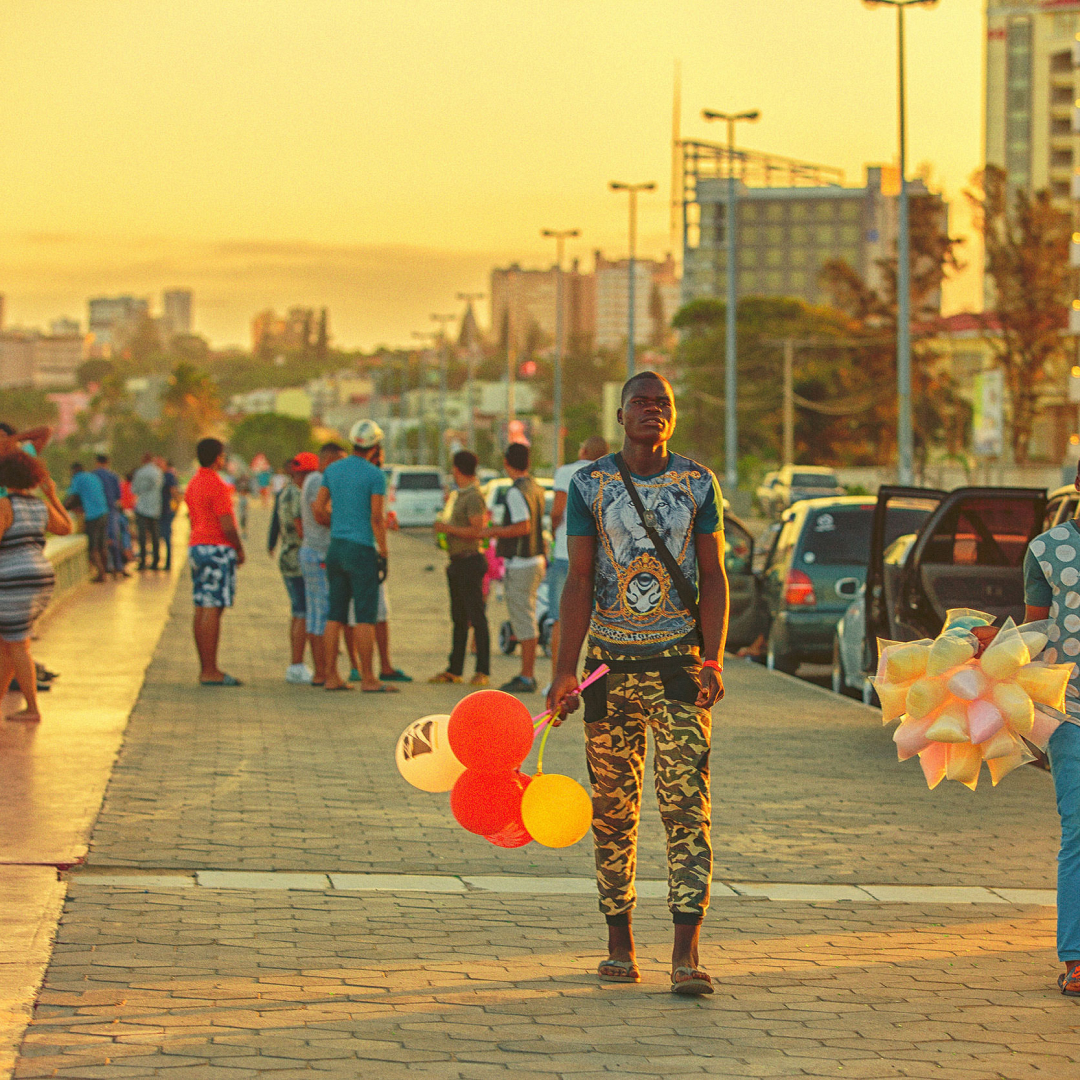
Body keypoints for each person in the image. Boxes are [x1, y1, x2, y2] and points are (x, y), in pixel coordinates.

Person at [548, 371, 728, 996]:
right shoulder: (589, 484)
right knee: (613, 813)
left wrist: (713, 660)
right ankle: (619, 944)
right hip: (608, 672)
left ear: (672, 417)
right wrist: (563, 671)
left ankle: (686, 954)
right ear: (621, 414)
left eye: (664, 405)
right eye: (641, 404)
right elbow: (577, 581)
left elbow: (713, 576)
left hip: (678, 668)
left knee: (687, 810)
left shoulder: (697, 482)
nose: (653, 411)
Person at [1008, 467, 1080, 996]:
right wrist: (992, 644)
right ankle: (1077, 959)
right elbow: (1037, 627)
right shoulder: (1049, 549)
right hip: (1073, 713)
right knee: (1079, 831)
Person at [311, 420, 394, 693]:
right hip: (361, 550)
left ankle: (331, 676)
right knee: (364, 616)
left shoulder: (333, 470)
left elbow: (319, 507)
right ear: (375, 446)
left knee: (335, 614)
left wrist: (339, 521)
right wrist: (383, 551)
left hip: (336, 547)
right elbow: (376, 518)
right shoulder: (374, 475)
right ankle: (369, 678)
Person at [0, 451, 72, 721]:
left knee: (17, 645)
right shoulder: (39, 506)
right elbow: (66, 527)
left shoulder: (5, 506)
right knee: (10, 643)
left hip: (12, 579)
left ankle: (32, 709)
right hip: (40, 577)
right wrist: (52, 496)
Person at [547, 435, 609, 684]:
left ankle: (558, 679)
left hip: (567, 552)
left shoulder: (566, 472)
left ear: (582, 450)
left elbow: (557, 510)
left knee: (561, 618)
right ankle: (599, 680)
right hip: (602, 555)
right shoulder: (610, 471)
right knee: (603, 621)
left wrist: (553, 532)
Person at [185, 437, 245, 686]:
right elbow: (227, 523)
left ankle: (206, 667)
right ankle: (210, 670)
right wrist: (239, 549)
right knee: (212, 608)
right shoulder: (217, 484)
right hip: (216, 547)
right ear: (218, 457)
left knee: (202, 607)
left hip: (197, 545)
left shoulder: (193, 483)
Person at [489, 442, 546, 693]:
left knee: (523, 618)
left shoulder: (515, 491)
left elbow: (522, 526)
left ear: (506, 462)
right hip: (536, 559)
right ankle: (526, 673)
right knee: (526, 615)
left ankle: (526, 675)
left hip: (522, 561)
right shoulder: (536, 487)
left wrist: (492, 531)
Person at [431, 450, 491, 686]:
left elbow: (478, 530)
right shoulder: (460, 495)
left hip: (470, 560)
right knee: (458, 617)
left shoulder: (474, 496)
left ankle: (482, 670)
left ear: (457, 469)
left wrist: (448, 529)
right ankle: (454, 669)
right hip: (457, 561)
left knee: (477, 618)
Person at [299, 443, 344, 686]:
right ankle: (324, 672)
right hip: (318, 553)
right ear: (328, 459)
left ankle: (322, 671)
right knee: (323, 614)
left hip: (314, 551)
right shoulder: (318, 480)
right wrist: (346, 521)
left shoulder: (314, 479)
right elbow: (320, 514)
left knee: (317, 613)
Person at [269, 453, 316, 684]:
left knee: (299, 612)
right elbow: (301, 529)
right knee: (303, 614)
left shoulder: (285, 492)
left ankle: (296, 664)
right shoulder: (300, 494)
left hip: (287, 556)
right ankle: (296, 665)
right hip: (299, 558)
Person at [65, 462, 110, 583]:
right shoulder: (93, 476)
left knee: (93, 547)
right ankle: (105, 571)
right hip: (104, 512)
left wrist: (62, 509)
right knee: (102, 545)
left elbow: (72, 497)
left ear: (74, 470)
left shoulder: (78, 478)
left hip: (92, 515)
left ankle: (101, 574)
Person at [92, 454, 127, 579]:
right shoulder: (113, 476)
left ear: (97, 462)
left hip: (98, 512)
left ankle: (108, 567)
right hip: (112, 510)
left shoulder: (94, 476)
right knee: (114, 539)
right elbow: (118, 495)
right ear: (108, 462)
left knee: (102, 541)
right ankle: (119, 567)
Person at [131, 452, 164, 570]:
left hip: (142, 507)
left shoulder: (139, 472)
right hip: (155, 507)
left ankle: (143, 561)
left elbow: (134, 489)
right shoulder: (158, 472)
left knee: (142, 536)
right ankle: (155, 561)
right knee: (155, 536)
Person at [157, 459, 178, 571]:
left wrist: (177, 506)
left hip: (166, 510)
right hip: (158, 511)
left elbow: (173, 491)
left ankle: (168, 562)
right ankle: (160, 560)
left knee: (166, 536)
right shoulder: (159, 476)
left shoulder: (168, 476)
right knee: (160, 536)